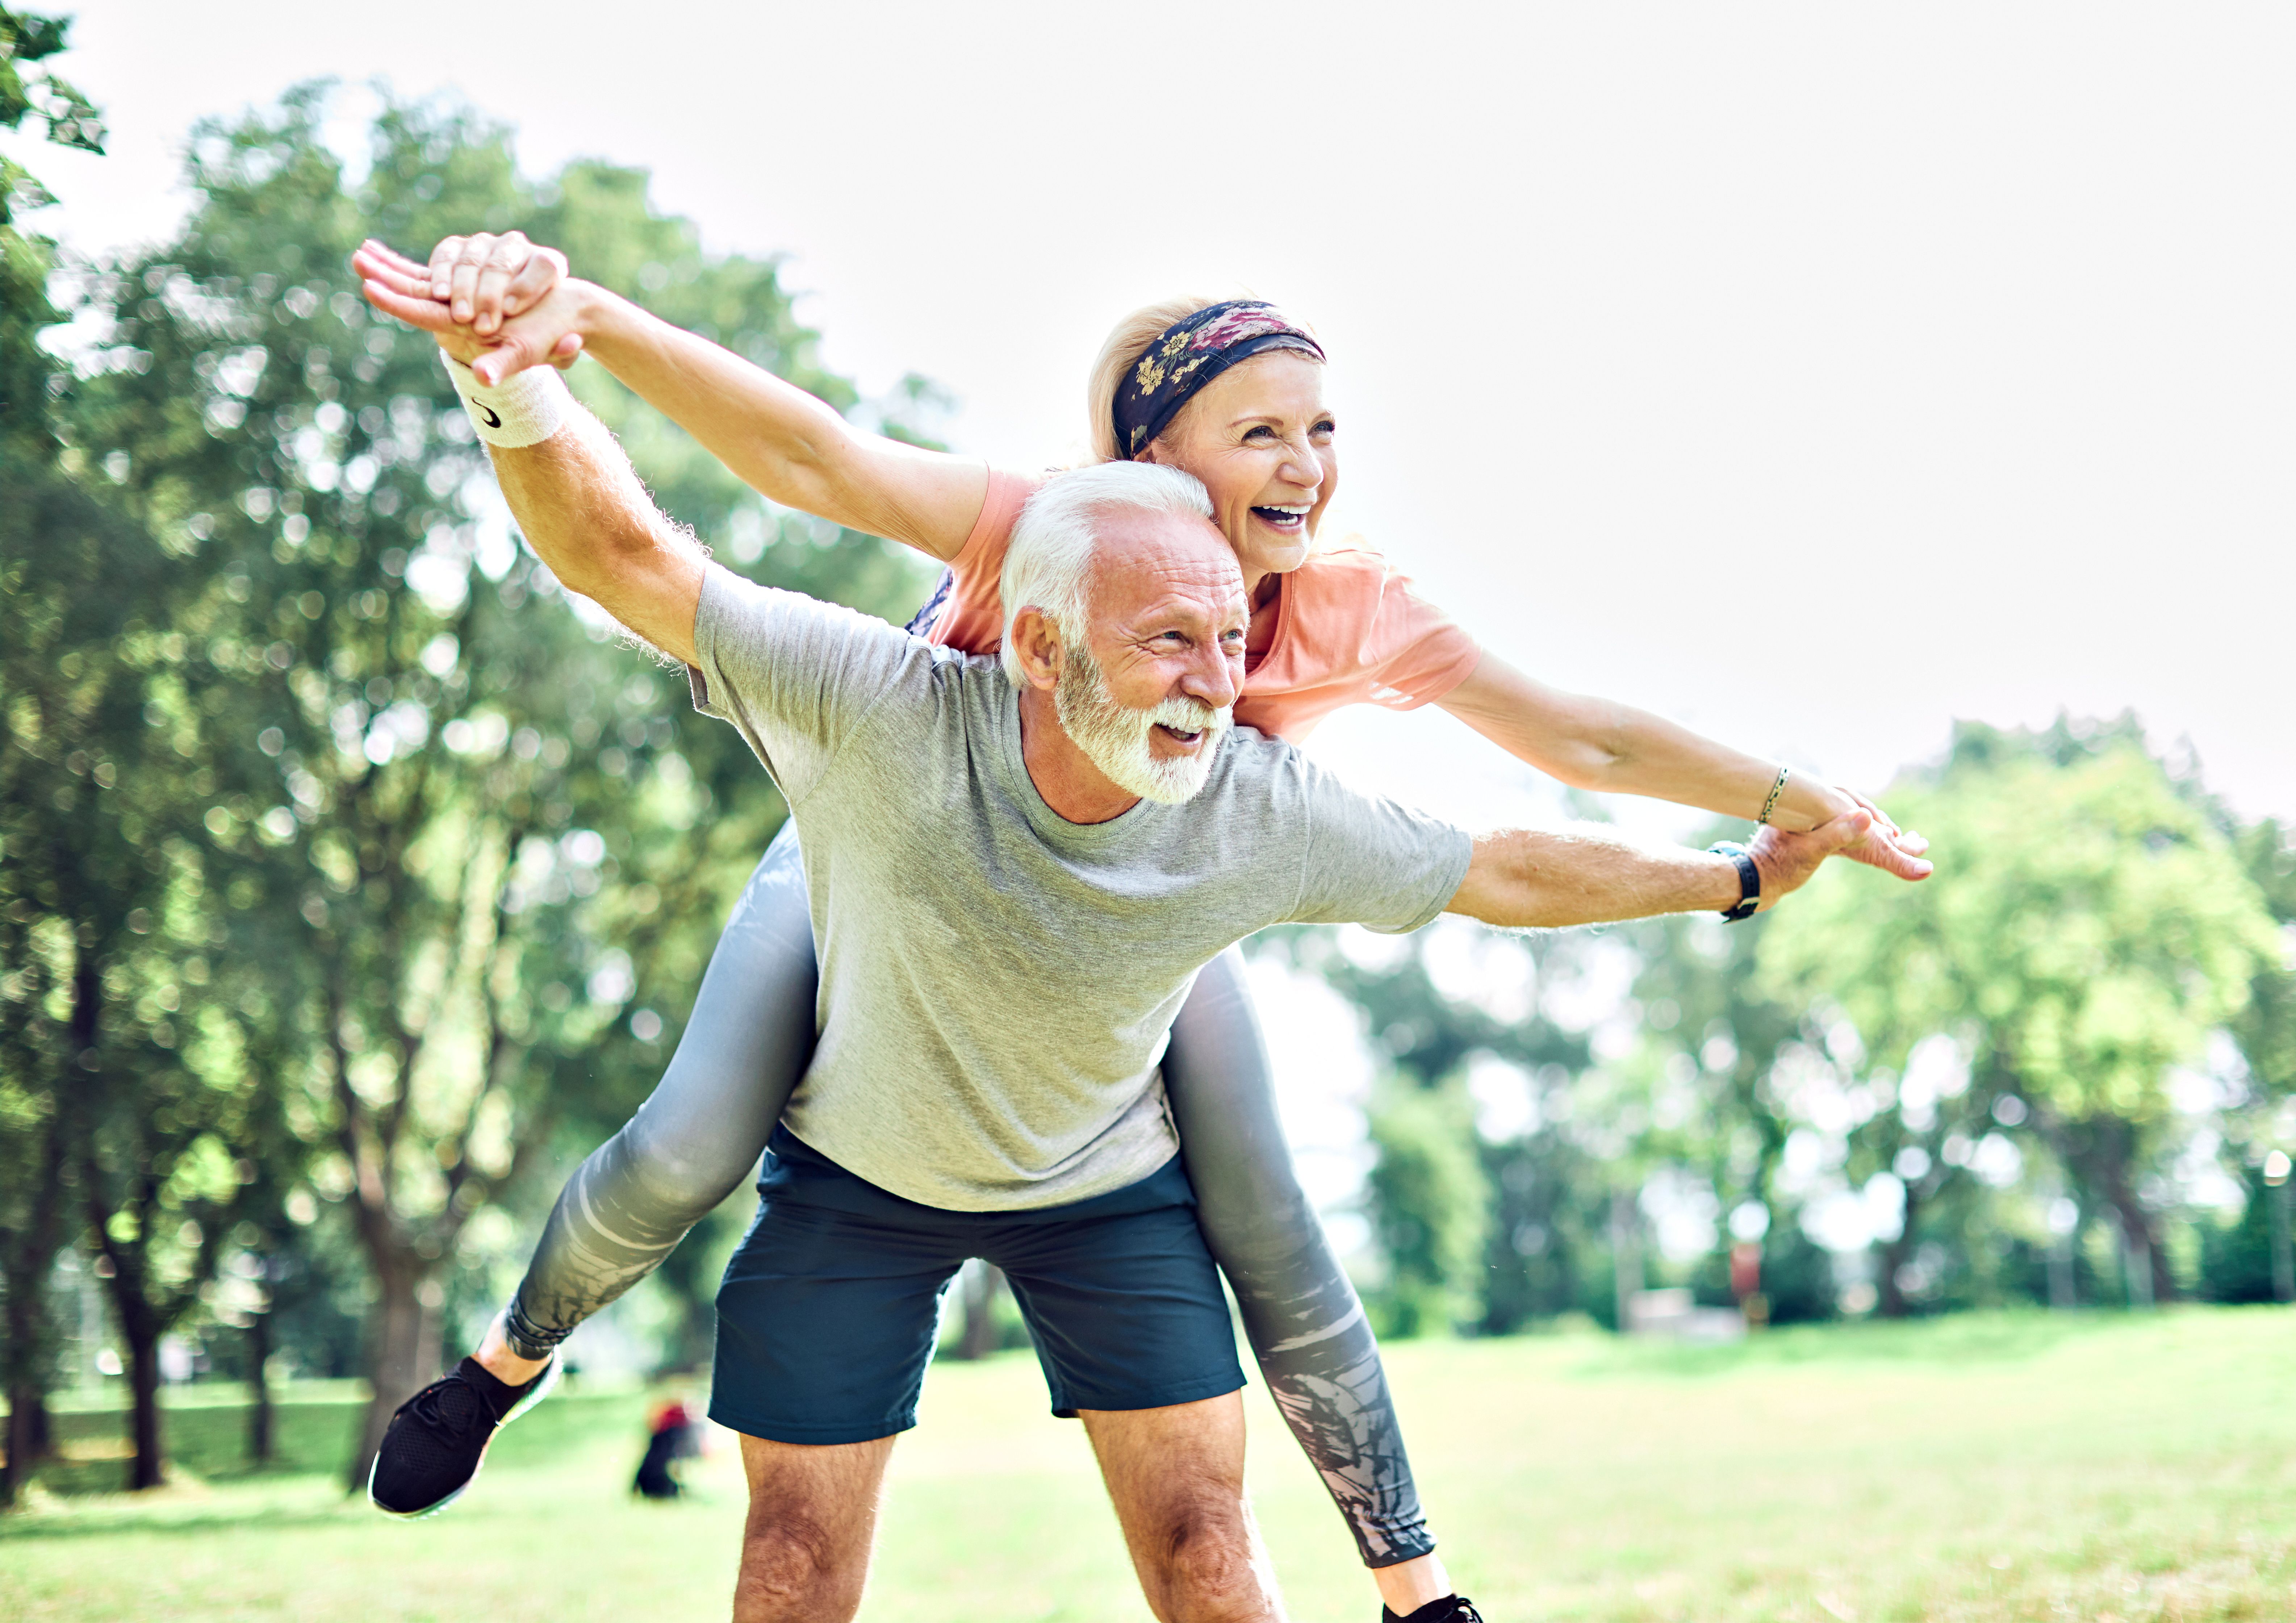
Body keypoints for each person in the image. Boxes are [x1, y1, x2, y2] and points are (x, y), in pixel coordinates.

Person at [352, 235, 1932, 1619]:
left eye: (1325, 427)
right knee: (692, 1139)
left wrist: (1793, 812)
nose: (1308, 463)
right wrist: (587, 330)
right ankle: (505, 1363)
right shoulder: (1046, 529)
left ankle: (1417, 1590)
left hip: (1154, 904)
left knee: (1270, 1219)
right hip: (895, 868)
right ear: (1153, 449)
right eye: (1265, 430)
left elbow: (1568, 756)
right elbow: (814, 468)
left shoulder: (1342, 609)